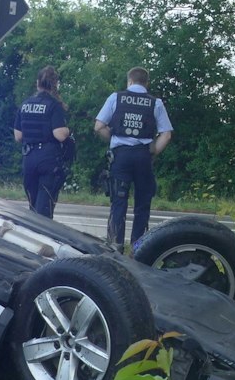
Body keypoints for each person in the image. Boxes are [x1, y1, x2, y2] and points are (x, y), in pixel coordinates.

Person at [94, 67, 172, 250]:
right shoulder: (156, 103)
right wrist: (152, 152)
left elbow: (99, 126)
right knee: (143, 204)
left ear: (129, 81)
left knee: (118, 201)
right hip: (143, 156)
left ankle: (115, 246)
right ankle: (139, 248)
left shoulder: (116, 98)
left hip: (120, 157)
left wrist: (113, 139)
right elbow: (166, 135)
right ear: (147, 83)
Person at [13, 66, 75, 218]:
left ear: (37, 83)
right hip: (48, 158)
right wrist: (69, 131)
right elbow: (59, 135)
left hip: (29, 157)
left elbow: (18, 136)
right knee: (44, 207)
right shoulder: (54, 105)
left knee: (33, 205)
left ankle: (31, 236)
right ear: (55, 85)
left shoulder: (25, 104)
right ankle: (43, 237)